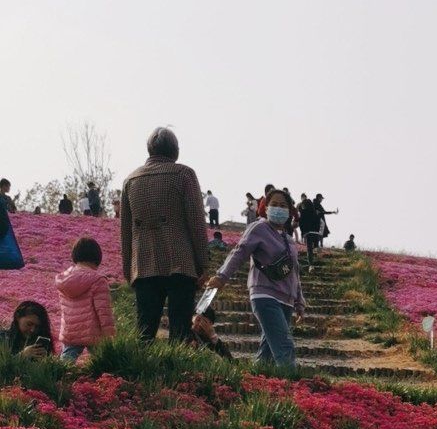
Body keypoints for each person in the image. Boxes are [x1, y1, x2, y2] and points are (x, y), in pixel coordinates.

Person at [121, 126, 208, 343]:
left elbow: (125, 232)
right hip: (180, 261)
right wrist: (202, 264)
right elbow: (196, 223)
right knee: (180, 331)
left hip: (143, 265)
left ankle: (143, 374)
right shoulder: (184, 174)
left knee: (145, 331)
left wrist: (128, 270)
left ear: (149, 150)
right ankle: (177, 374)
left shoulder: (131, 180)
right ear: (175, 151)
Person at [206, 188, 304, 369]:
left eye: (283, 206)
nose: (278, 208)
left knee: (266, 354)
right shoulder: (259, 228)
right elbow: (239, 252)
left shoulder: (290, 241)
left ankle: (255, 383)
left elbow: (294, 272)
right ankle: (293, 390)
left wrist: (299, 301)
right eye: (274, 204)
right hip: (265, 295)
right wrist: (221, 276)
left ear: (289, 211)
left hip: (287, 300)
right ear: (265, 208)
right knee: (285, 346)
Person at [55, 236, 115, 361]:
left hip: (70, 329)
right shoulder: (98, 280)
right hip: (93, 332)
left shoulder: (64, 279)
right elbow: (103, 310)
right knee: (101, 362)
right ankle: (101, 379)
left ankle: (59, 377)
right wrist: (109, 334)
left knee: (66, 359)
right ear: (97, 258)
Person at [298, 194, 322, 269]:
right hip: (316, 233)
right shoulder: (314, 212)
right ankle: (317, 247)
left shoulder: (303, 213)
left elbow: (301, 224)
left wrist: (302, 235)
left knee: (309, 250)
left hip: (308, 233)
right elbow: (320, 222)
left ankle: (311, 265)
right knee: (314, 246)